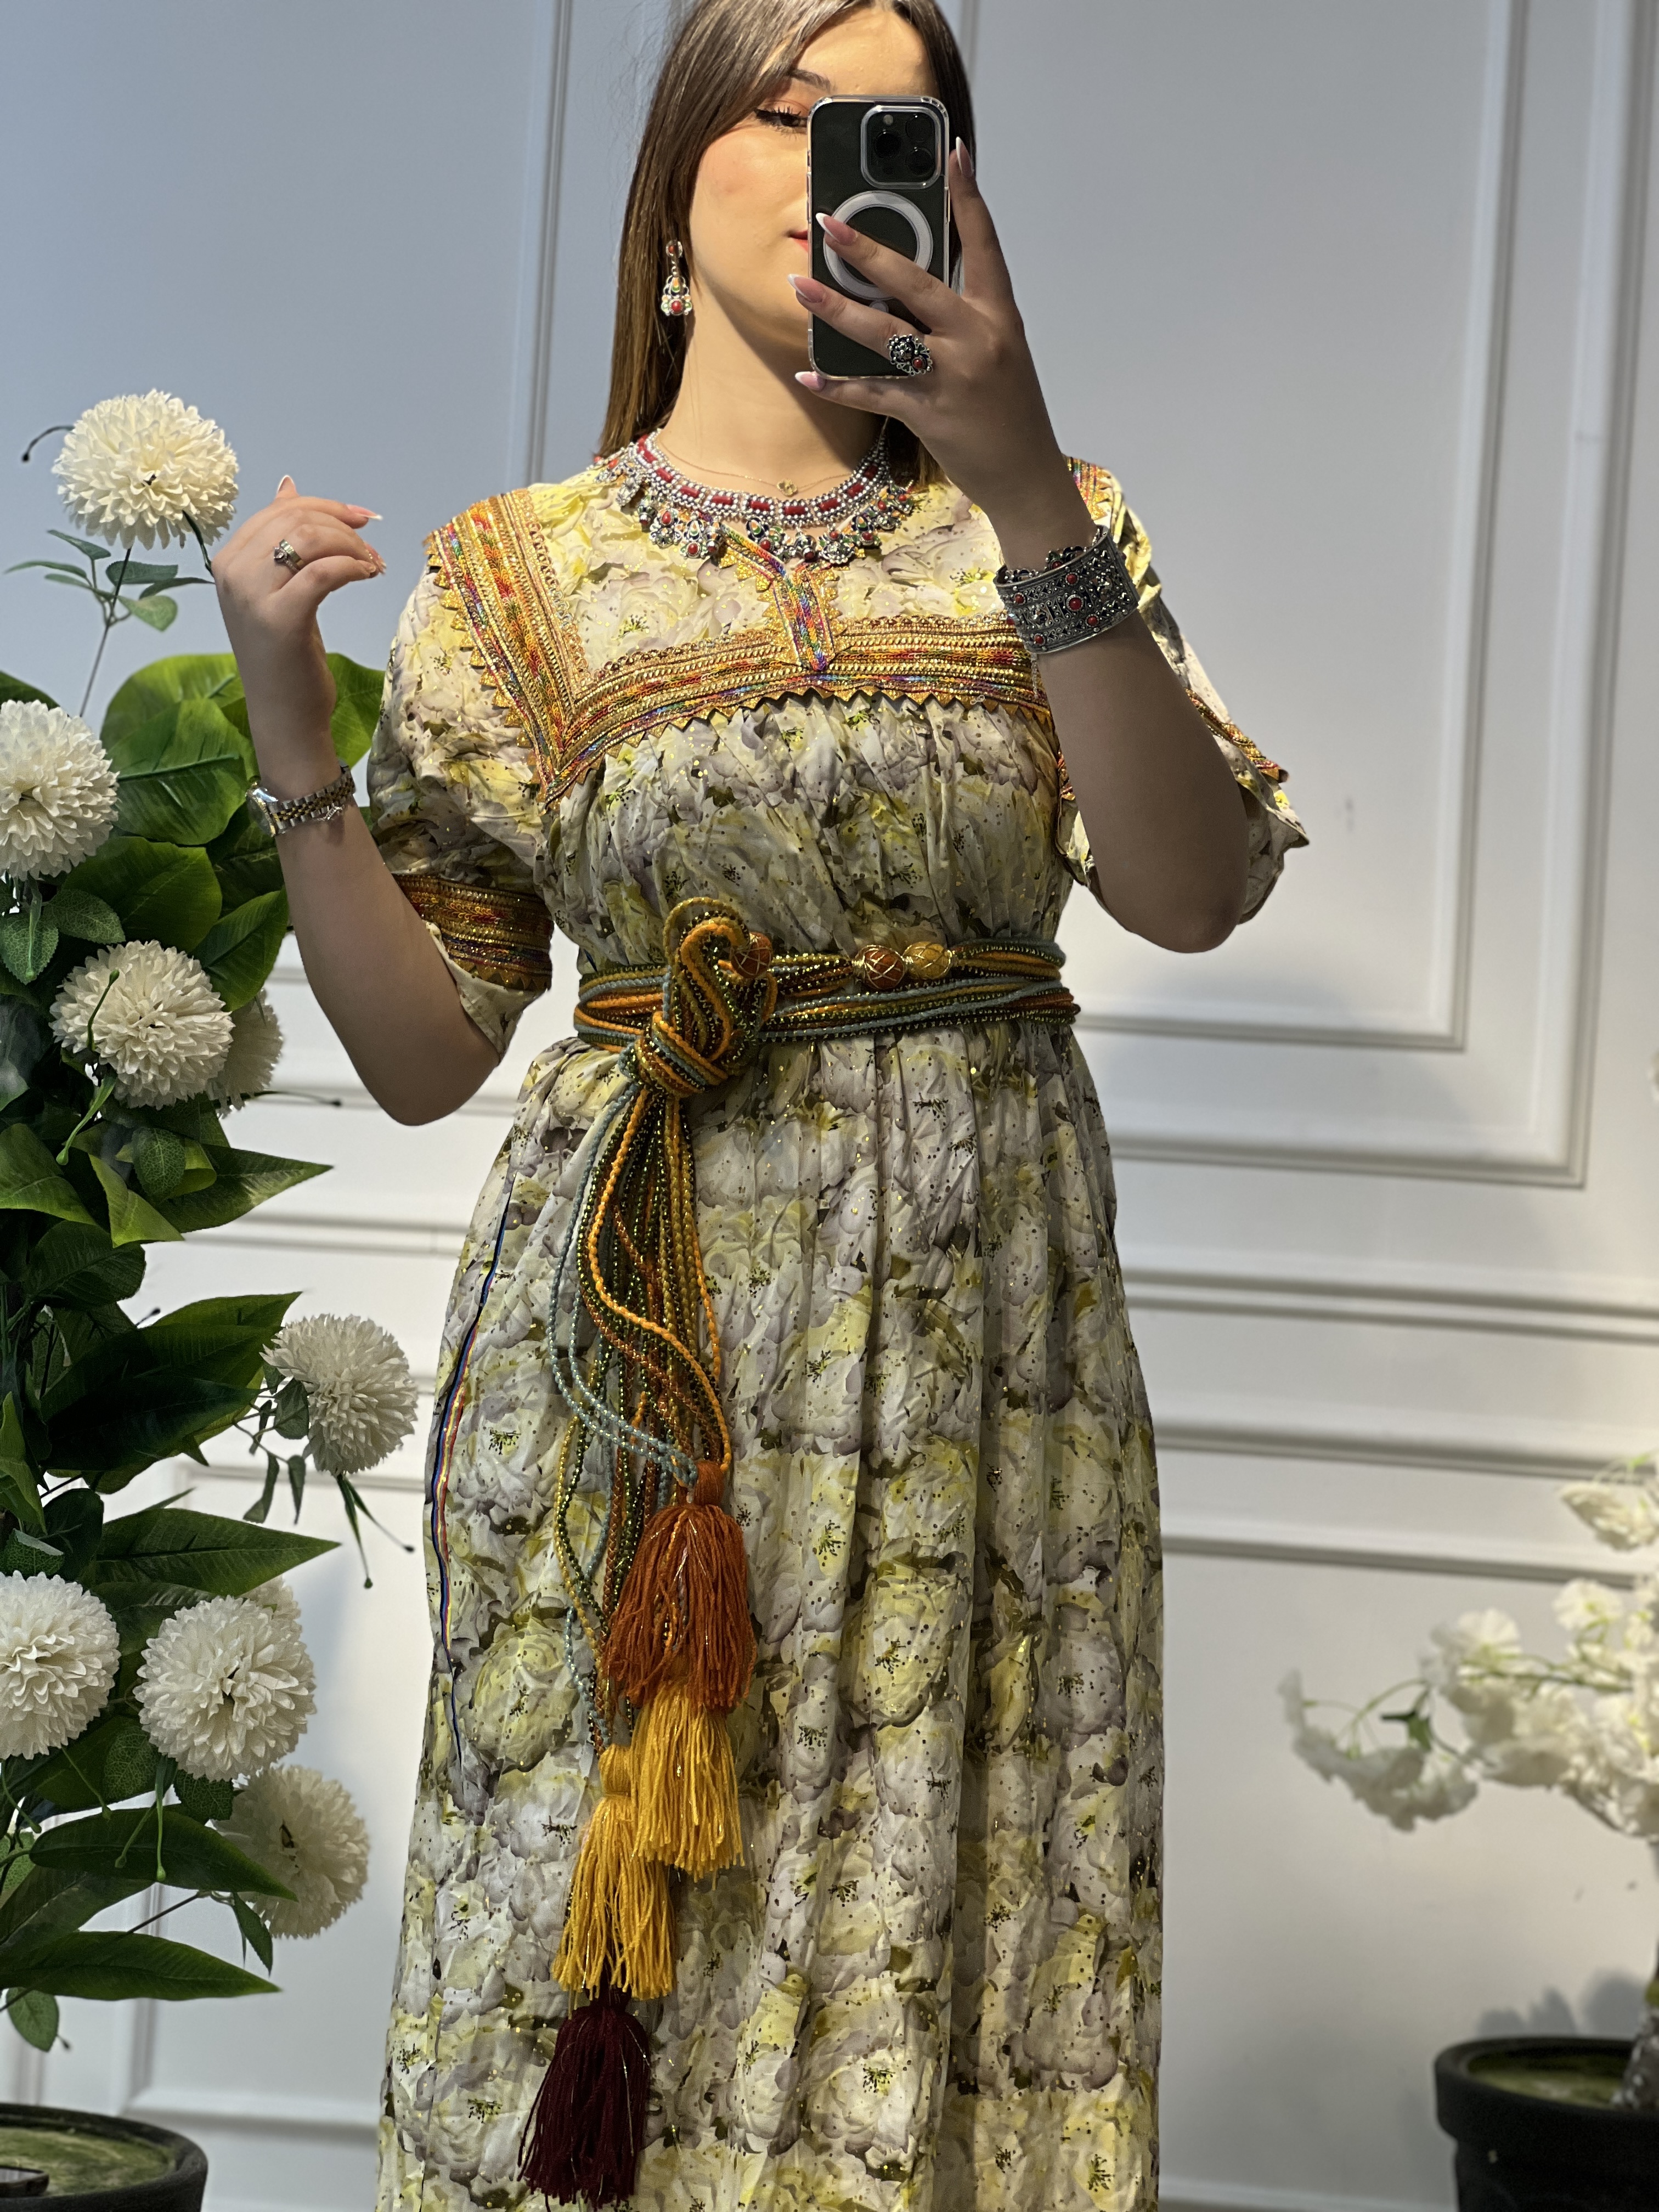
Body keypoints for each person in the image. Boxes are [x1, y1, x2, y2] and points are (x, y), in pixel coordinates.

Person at [213, 2, 1305, 2204]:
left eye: (888, 125)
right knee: (596, 1922)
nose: (832, 165)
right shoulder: (519, 573)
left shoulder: (1049, 524)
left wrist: (1021, 473)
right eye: (786, 113)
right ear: (673, 186)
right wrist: (290, 727)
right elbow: (427, 1056)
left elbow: (1190, 893)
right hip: (648, 1366)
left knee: (959, 1899)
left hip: (987, 1363)